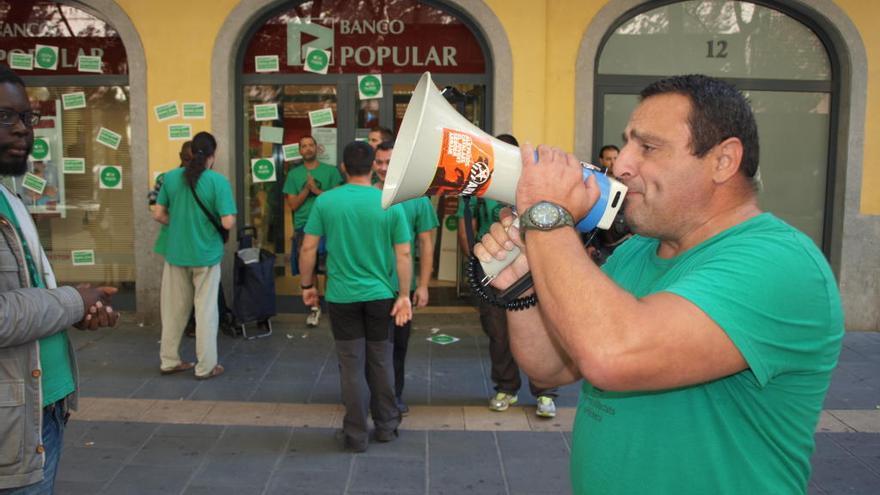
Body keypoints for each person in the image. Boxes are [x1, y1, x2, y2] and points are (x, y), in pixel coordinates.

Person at [475, 75, 844, 494]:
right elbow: (553, 367)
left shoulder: (779, 263)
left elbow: (612, 355)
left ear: (723, 160)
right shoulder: (637, 250)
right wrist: (523, 289)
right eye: (627, 143)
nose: (622, 165)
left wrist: (547, 213)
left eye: (648, 147)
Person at [0, 65, 119, 493]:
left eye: (27, 118)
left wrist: (75, 309)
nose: (23, 131)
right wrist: (73, 300)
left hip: (41, 407)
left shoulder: (9, 194)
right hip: (13, 424)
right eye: (5, 118)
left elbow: (24, 292)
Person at [300, 140, 412, 452]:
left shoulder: (327, 202)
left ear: (344, 168)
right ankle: (387, 426)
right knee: (381, 360)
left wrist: (307, 286)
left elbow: (308, 247)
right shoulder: (390, 202)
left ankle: (356, 434)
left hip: (341, 297)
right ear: (373, 165)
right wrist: (404, 295)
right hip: (380, 295)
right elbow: (403, 253)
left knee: (351, 365)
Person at [457, 133, 559, 418]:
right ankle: (506, 387)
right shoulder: (480, 185)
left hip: (532, 269)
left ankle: (545, 392)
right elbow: (469, 224)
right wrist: (475, 261)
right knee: (498, 331)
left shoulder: (537, 184)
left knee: (542, 329)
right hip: (492, 268)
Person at [153, 131, 235, 380]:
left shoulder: (170, 177)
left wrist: (177, 224)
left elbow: (158, 214)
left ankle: (168, 361)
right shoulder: (218, 182)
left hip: (176, 252)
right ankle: (206, 366)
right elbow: (228, 222)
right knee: (206, 312)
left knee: (173, 311)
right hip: (206, 255)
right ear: (213, 155)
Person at [372, 139, 438, 414]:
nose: (384, 168)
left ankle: (394, 396)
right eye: (379, 162)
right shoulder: (366, 196)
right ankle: (374, 396)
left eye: (389, 162)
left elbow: (426, 243)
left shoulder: (417, 198)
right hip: (371, 286)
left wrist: (423, 285)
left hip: (403, 287)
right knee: (373, 347)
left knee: (398, 346)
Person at [283, 135, 343, 327]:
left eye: (311, 145)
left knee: (330, 269)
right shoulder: (293, 175)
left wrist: (316, 191)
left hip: (328, 226)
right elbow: (292, 204)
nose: (308, 148)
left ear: (317, 148)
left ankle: (333, 308)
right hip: (304, 227)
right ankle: (314, 309)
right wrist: (306, 191)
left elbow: (338, 200)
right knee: (310, 271)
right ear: (299, 151)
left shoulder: (331, 172)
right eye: (304, 146)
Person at [150, 141, 197, 337]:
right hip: (177, 241)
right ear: (180, 156)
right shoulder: (167, 179)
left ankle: (191, 323)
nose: (188, 162)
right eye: (186, 158)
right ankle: (185, 325)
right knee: (181, 290)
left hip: (191, 242)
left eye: (192, 159)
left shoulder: (200, 178)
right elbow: (154, 205)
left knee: (192, 287)